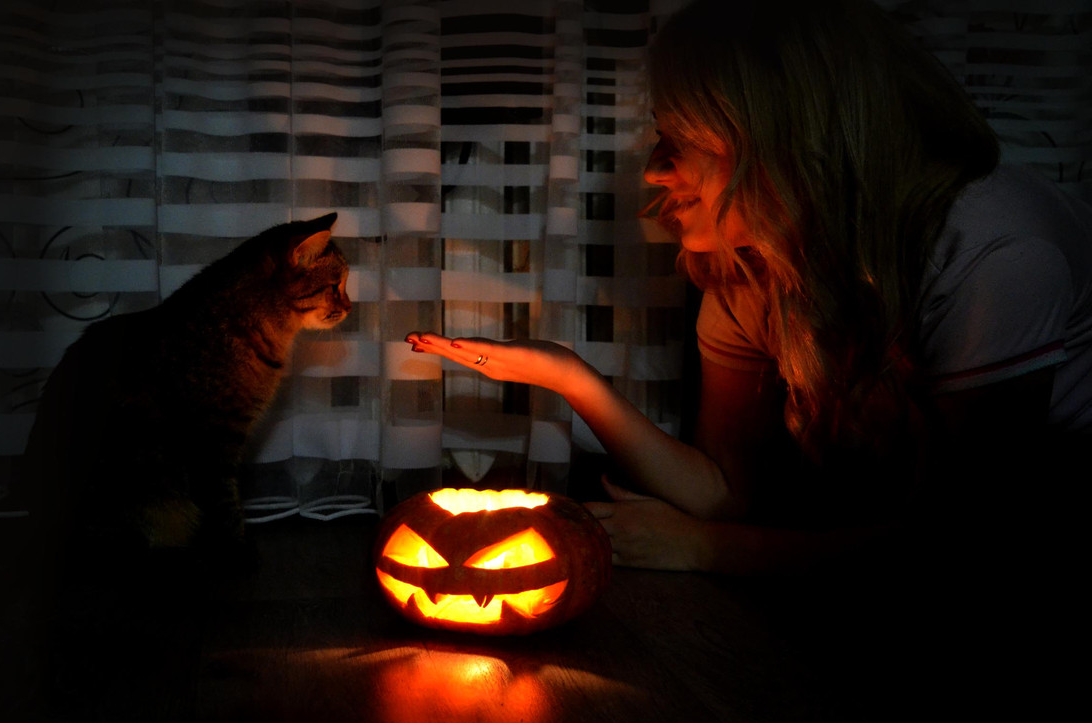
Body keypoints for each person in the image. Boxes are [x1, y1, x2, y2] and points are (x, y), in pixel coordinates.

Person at [407, 0, 1092, 576]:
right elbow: (725, 489)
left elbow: (961, 542)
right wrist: (569, 378)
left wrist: (712, 550)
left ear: (784, 142)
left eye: (680, 140)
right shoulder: (751, 265)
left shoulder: (993, 253)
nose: (653, 172)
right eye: (660, 136)